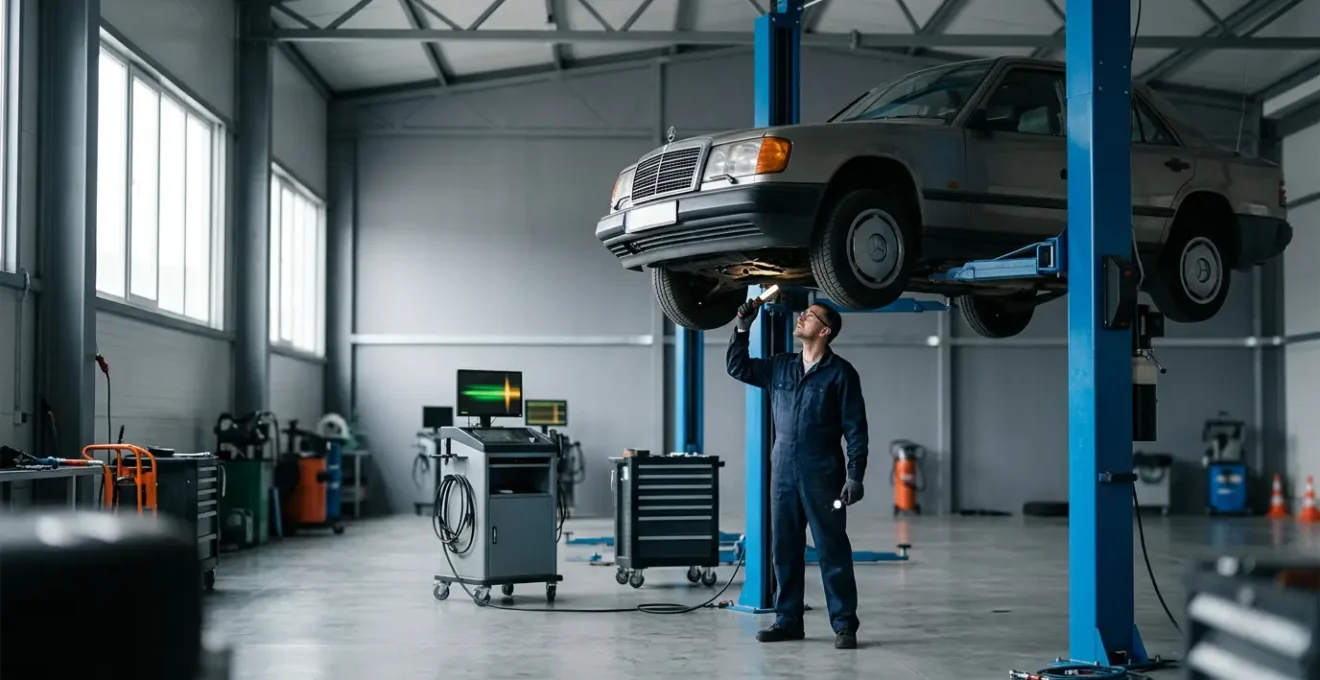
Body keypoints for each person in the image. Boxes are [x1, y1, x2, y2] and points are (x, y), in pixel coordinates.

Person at [726, 297, 868, 650]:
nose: (802, 316)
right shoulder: (781, 367)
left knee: (831, 549)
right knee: (784, 549)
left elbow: (855, 429)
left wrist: (855, 475)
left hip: (824, 471)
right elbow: (738, 368)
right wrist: (742, 328)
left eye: (811, 315)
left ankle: (844, 626)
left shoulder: (841, 373)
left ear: (824, 330)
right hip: (784, 468)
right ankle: (787, 620)